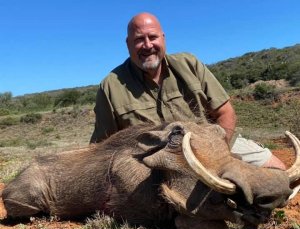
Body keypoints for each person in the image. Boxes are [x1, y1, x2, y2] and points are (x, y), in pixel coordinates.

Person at [90, 12, 286, 170]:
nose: (148, 45)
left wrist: (218, 156)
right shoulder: (110, 86)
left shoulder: (189, 64)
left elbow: (225, 113)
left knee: (279, 173)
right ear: (128, 44)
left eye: (153, 37)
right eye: (139, 39)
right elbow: (101, 146)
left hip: (213, 148)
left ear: (163, 38)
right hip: (151, 164)